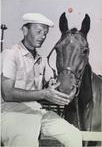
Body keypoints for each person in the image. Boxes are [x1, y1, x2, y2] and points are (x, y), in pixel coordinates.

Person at [1, 13, 82, 147]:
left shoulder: (41, 61)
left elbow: (44, 92)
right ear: (25, 31)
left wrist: (62, 95)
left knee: (74, 136)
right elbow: (7, 93)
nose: (43, 36)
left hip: (37, 112)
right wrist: (44, 93)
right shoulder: (10, 54)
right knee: (27, 141)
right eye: (38, 32)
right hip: (11, 113)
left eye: (45, 33)